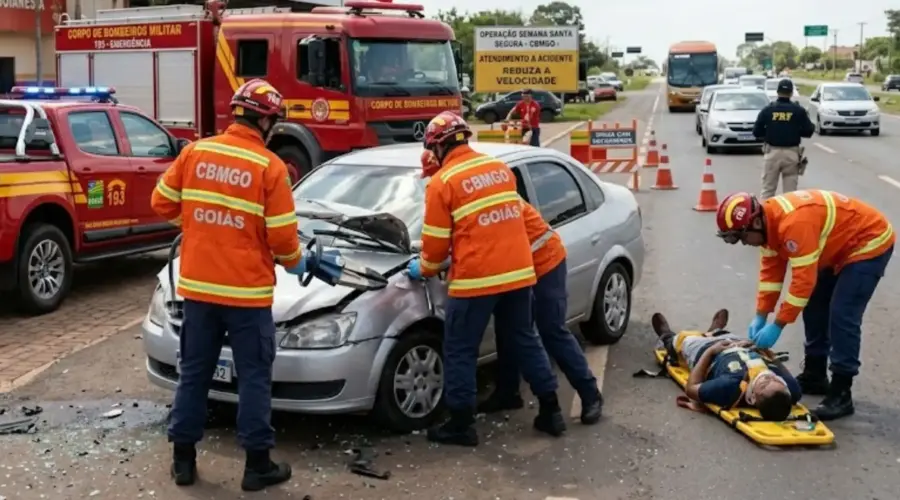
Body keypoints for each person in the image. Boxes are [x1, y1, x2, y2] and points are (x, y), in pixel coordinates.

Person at [151, 79, 308, 491]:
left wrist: (200, 228)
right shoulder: (269, 167)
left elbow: (161, 202)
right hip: (247, 295)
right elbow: (282, 241)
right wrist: (297, 262)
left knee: (194, 374)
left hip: (200, 291)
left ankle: (183, 461)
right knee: (254, 377)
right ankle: (257, 466)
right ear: (267, 120)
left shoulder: (196, 152)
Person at [408, 111, 563, 447]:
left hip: (476, 279)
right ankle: (551, 409)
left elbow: (434, 247)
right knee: (525, 339)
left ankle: (461, 424)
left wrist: (422, 268)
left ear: (437, 146)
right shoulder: (498, 169)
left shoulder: (443, 182)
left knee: (460, 349)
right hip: (520, 273)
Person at [715, 190, 895, 421]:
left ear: (756, 222)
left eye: (741, 237)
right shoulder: (767, 227)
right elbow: (771, 276)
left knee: (842, 314)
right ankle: (815, 374)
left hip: (867, 242)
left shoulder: (793, 224)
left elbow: (803, 283)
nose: (743, 243)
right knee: (815, 306)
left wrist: (778, 324)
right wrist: (761, 315)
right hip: (835, 246)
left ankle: (842, 392)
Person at [478, 200, 604, 425]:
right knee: (509, 327)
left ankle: (590, 393)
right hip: (514, 267)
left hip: (544, 261)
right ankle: (507, 392)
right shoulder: (468, 187)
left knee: (551, 330)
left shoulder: (475, 191)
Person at [652, 308, 800, 420]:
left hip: (705, 350)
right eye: (774, 379)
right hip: (738, 343)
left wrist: (710, 351)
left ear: (752, 398)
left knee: (684, 340)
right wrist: (762, 348)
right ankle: (715, 330)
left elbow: (691, 389)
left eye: (763, 384)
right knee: (728, 334)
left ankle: (667, 337)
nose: (767, 376)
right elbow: (775, 363)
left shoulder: (729, 387)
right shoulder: (789, 390)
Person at [752, 78, 815, 199]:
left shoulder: (768, 110)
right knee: (790, 195)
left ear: (777, 92)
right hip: (791, 154)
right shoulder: (798, 110)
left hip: (771, 153)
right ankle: (788, 217)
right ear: (791, 93)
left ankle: (766, 216)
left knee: (767, 191)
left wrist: (771, 132)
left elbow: (756, 132)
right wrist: (794, 130)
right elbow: (809, 130)